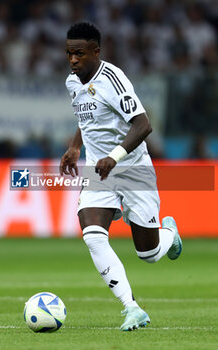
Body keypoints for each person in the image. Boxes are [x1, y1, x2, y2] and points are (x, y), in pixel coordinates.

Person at [60, 22, 182, 331]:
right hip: (99, 172)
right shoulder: (72, 83)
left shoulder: (113, 80)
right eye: (69, 53)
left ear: (96, 52)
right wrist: (75, 147)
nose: (73, 60)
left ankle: (169, 235)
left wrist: (114, 158)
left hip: (130, 169)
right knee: (92, 236)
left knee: (149, 253)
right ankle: (132, 308)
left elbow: (143, 125)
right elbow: (84, 116)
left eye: (80, 53)